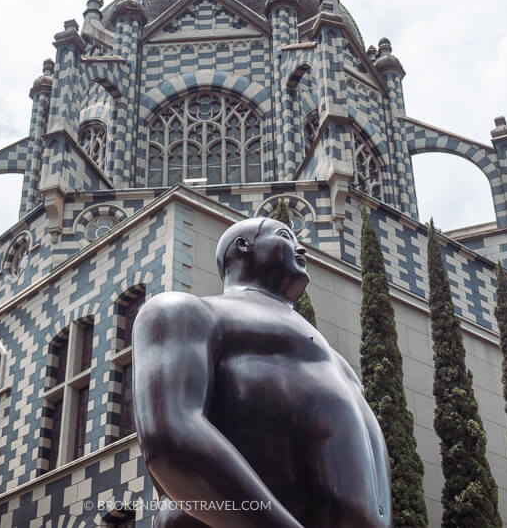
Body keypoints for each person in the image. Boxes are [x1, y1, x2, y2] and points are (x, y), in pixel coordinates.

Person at [132, 217, 392, 528]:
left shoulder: (339, 364)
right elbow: (171, 438)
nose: (302, 248)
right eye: (285, 235)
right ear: (242, 247)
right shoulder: (185, 312)